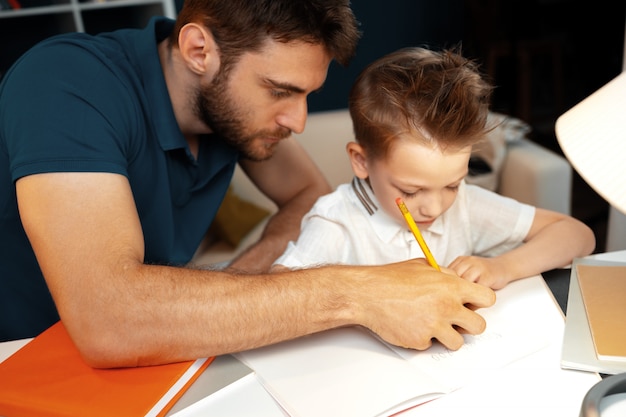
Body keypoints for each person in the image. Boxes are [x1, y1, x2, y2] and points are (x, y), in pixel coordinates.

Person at [0, 1, 496, 368]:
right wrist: (359, 292)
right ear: (199, 50)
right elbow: (108, 319)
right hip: (25, 358)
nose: (298, 120)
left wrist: (243, 276)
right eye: (281, 91)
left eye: (307, 94)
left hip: (154, 357)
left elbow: (310, 196)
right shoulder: (65, 82)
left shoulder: (231, 116)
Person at [273, 47, 596, 290]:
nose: (435, 206)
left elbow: (577, 236)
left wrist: (501, 268)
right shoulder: (336, 221)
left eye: (453, 184)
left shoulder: (463, 205)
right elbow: (280, 292)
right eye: (411, 191)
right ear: (361, 161)